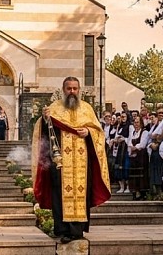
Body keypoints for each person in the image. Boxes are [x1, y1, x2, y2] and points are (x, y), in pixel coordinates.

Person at [31, 77, 111, 244]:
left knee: (82, 194)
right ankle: (62, 229)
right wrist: (45, 120)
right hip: (60, 162)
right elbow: (45, 134)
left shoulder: (87, 109)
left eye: (75, 88)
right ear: (63, 89)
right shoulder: (54, 108)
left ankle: (77, 230)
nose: (72, 92)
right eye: (69, 88)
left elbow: (99, 133)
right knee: (59, 194)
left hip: (83, 162)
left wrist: (88, 132)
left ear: (79, 90)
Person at [127, 114, 151, 200]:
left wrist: (136, 147)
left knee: (141, 174)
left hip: (141, 156)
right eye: (135, 122)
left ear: (141, 123)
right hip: (133, 156)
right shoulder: (133, 132)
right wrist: (131, 148)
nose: (136, 124)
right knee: (134, 175)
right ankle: (135, 192)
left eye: (138, 122)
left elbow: (143, 144)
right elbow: (129, 141)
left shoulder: (144, 132)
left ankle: (143, 193)